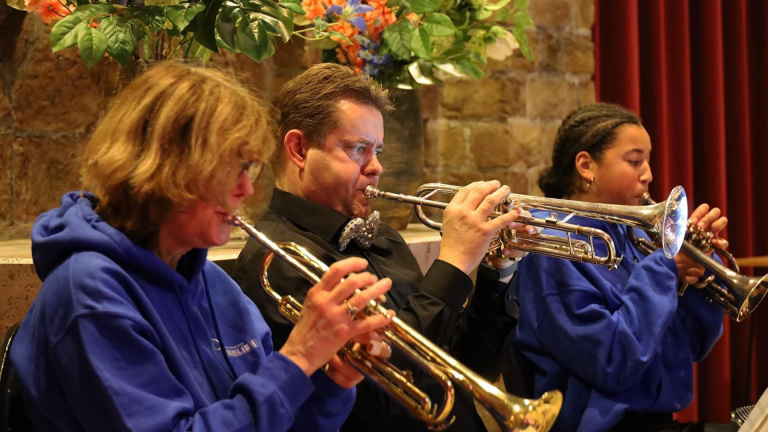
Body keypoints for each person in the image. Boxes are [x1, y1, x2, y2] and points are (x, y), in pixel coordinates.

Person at [10, 62, 396, 432]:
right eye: (235, 167)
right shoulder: (89, 293)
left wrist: (332, 383)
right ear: (170, 166)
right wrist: (297, 358)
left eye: (251, 169)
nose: (246, 190)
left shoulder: (213, 282)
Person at [230, 63, 533, 431]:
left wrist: (496, 270)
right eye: (358, 148)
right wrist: (452, 265)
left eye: (378, 151)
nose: (376, 167)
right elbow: (382, 404)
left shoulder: (383, 237)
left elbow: (467, 364)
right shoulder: (276, 260)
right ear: (298, 149)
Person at [510, 102, 727, 432]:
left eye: (648, 160)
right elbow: (611, 361)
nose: (649, 174)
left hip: (656, 421)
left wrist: (699, 276)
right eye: (635, 161)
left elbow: (689, 347)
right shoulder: (552, 247)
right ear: (586, 165)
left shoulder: (635, 233)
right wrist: (665, 269)